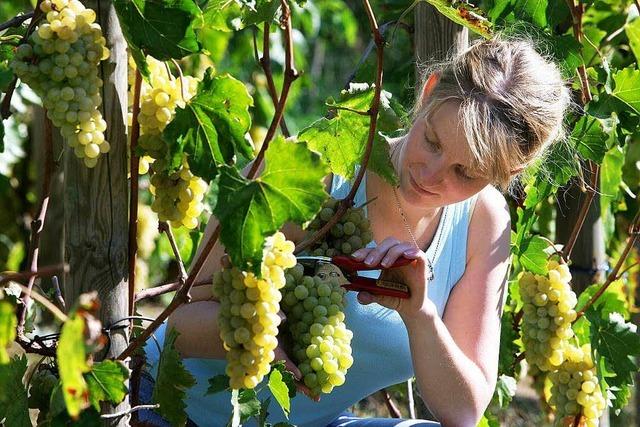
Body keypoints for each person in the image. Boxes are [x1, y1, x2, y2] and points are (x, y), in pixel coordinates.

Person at [140, 35, 571, 426]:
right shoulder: (320, 176)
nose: (431, 174)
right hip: (169, 414)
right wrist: (260, 336)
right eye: (433, 142)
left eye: (465, 172)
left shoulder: (483, 223)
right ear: (427, 91)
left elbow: (462, 410)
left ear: (507, 174)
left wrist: (420, 315)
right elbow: (177, 321)